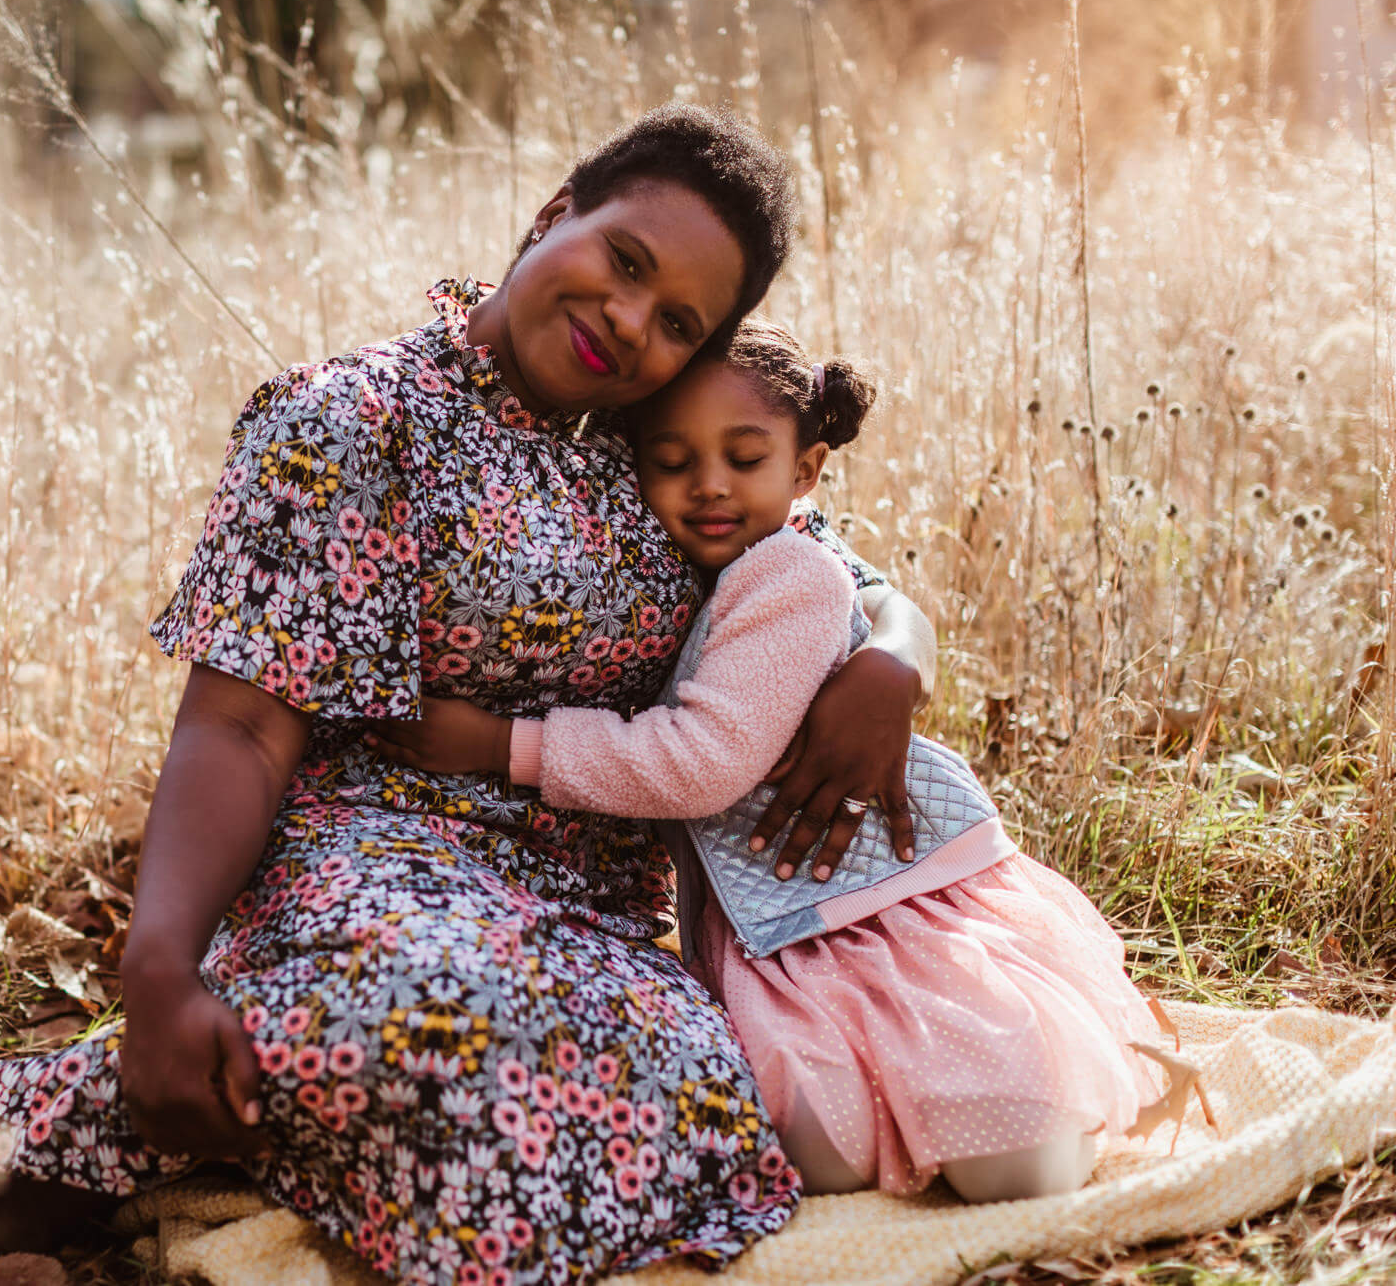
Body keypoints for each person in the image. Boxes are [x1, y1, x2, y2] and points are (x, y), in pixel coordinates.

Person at [0, 104, 940, 1286]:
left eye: (675, 322)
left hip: (584, 901)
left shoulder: (663, 445)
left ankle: (209, 1163)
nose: (625, 322)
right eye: (622, 261)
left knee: (694, 1103)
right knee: (441, 1020)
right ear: (553, 214)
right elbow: (239, 725)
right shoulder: (351, 420)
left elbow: (822, 576)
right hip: (367, 859)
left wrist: (892, 657)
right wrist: (157, 969)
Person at [366, 319, 1165, 1203]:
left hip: (878, 899)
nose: (709, 486)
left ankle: (1032, 1117)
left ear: (806, 469)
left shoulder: (791, 569)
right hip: (778, 924)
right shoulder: (706, 557)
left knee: (1011, 1152)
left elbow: (704, 761)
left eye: (744, 459)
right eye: (672, 462)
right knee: (817, 1148)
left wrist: (499, 744)